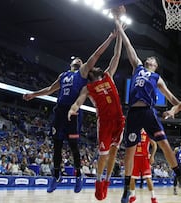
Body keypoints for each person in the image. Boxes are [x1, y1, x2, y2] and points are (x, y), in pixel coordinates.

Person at [23, 31, 117, 193]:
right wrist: (33, 94)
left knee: (74, 145)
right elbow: (50, 89)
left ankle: (79, 175)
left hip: (73, 113)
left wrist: (110, 38)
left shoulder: (83, 72)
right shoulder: (63, 75)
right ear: (71, 63)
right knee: (57, 146)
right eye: (76, 59)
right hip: (59, 111)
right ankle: (56, 176)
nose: (79, 59)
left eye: (81, 60)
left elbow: (97, 54)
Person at [113, 12, 181, 203]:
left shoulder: (157, 78)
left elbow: (172, 97)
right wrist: (121, 30)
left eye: (154, 61)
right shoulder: (137, 68)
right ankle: (126, 189)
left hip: (149, 112)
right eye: (149, 59)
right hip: (133, 112)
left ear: (156, 66)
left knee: (164, 144)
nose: (150, 60)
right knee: (129, 151)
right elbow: (130, 48)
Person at [67, 31, 124, 200]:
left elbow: (117, 54)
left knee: (114, 153)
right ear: (90, 74)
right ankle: (99, 181)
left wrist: (119, 35)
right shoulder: (88, 88)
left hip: (119, 120)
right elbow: (78, 101)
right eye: (92, 68)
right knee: (103, 155)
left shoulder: (108, 75)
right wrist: (72, 109)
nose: (95, 67)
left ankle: (107, 179)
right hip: (105, 122)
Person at [129, 129, 158, 203]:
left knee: (148, 179)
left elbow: (154, 145)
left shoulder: (147, 133)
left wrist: (152, 156)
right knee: (132, 178)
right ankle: (132, 196)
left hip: (144, 158)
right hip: (135, 158)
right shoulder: (133, 132)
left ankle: (153, 197)